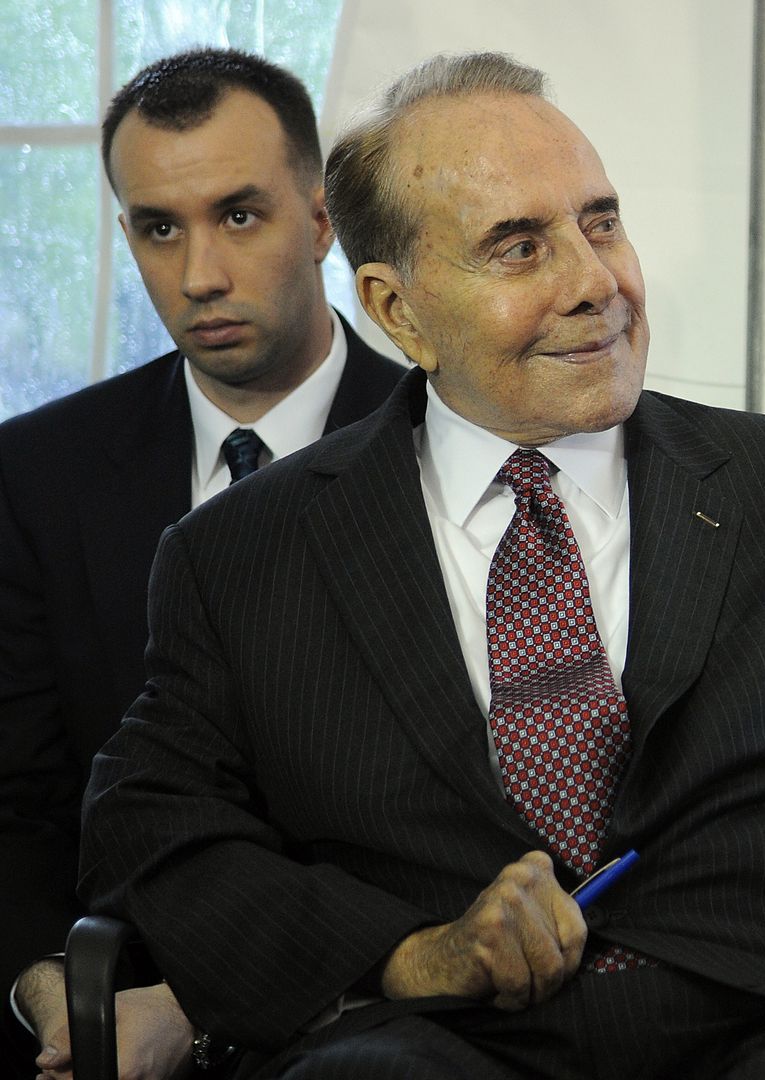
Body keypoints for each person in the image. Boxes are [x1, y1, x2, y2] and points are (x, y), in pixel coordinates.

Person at [78, 51, 765, 1080]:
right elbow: (152, 826)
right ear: (398, 310)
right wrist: (402, 954)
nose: (596, 281)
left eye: (601, 222)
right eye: (520, 247)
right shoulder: (242, 552)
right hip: (432, 1043)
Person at [0, 48, 404, 1079]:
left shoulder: (449, 446)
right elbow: (18, 803)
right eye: (158, 228)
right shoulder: (36, 474)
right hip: (107, 996)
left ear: (322, 221)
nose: (198, 277)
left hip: (391, 1010)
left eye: (239, 214)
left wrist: (212, 1001)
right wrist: (60, 998)